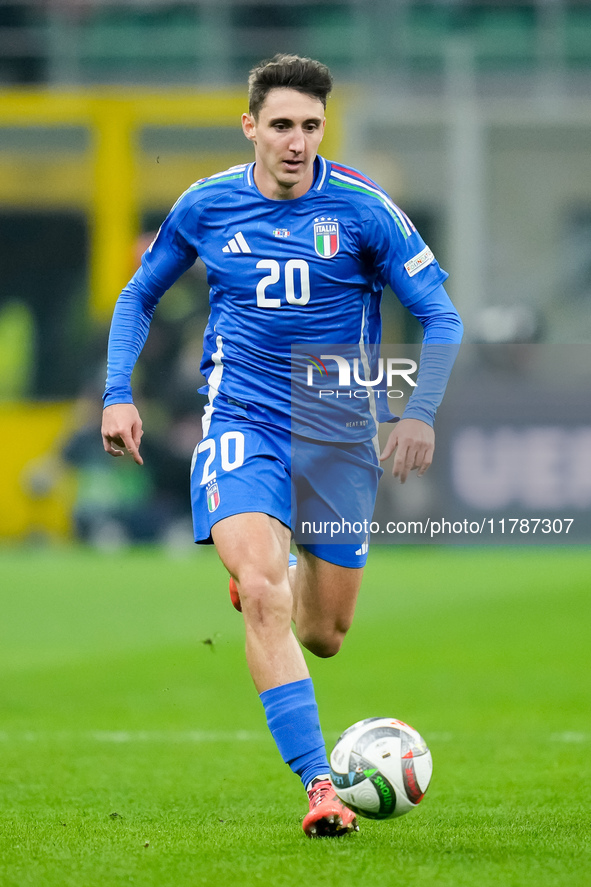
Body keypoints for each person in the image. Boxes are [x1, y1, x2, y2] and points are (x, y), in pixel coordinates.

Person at [101, 53, 463, 838]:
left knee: (323, 635)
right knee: (262, 592)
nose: (296, 141)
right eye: (281, 126)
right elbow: (139, 292)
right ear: (250, 127)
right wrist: (117, 392)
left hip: (336, 436)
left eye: (309, 126)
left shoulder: (364, 210)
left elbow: (441, 315)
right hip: (241, 423)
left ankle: (282, 569)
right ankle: (320, 786)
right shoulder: (207, 204)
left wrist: (418, 412)